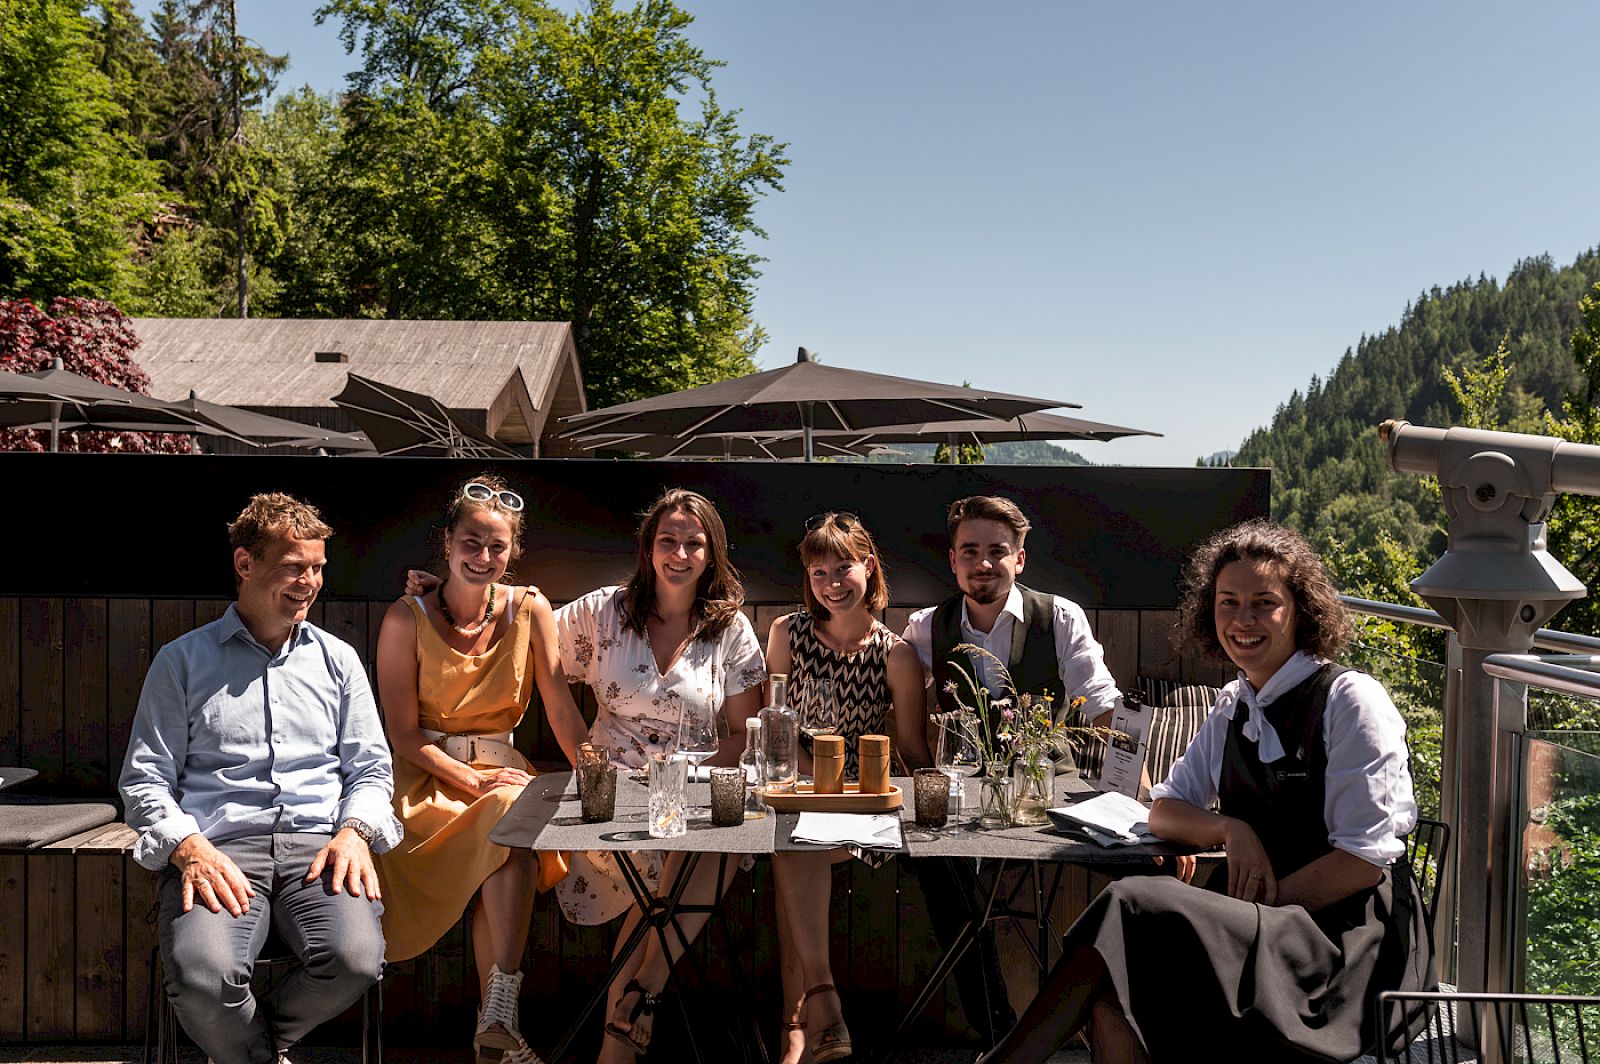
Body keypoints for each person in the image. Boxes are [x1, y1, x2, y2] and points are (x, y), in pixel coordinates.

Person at [979, 519, 1433, 1064]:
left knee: (1131, 902)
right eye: (1228, 603)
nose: (1243, 620)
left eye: (1264, 603)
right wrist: (1229, 829)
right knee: (1110, 995)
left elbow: (1361, 863)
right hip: (1266, 928)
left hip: (1344, 955)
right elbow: (1164, 811)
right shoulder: (1234, 704)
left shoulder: (1350, 700)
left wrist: (1247, 908)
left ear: (1301, 611)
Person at [119, 493, 398, 1064]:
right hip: (219, 850)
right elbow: (145, 779)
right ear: (245, 564)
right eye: (294, 567)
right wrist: (189, 847)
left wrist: (356, 832)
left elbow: (371, 768)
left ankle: (245, 1049)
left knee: (355, 961)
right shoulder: (181, 661)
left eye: (318, 568)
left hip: (319, 850)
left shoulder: (339, 661)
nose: (310, 583)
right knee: (202, 976)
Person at [378, 475, 590, 1064]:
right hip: (427, 780)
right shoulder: (405, 618)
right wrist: (472, 780)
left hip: (504, 774)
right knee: (508, 816)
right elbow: (403, 734)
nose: (483, 556)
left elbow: (561, 709)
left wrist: (599, 780)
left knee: (508, 828)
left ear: (512, 552)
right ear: (447, 542)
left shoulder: (531, 609)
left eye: (497, 546)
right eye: (471, 542)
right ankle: (501, 1016)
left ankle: (497, 1020)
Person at [553, 488, 767, 1063]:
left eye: (693, 543)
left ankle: (635, 1004)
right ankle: (639, 1001)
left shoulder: (730, 629)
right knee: (681, 865)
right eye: (667, 540)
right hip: (612, 796)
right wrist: (439, 594)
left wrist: (685, 779)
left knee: (714, 839)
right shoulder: (603, 612)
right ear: (648, 548)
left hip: (691, 791)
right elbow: (522, 632)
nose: (680, 554)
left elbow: (744, 734)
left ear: (711, 553)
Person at [901, 494, 1124, 1044]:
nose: (983, 563)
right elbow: (901, 712)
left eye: (997, 551)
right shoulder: (926, 628)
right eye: (969, 551)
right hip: (963, 805)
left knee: (1149, 871)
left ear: (1019, 559)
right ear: (953, 561)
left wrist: (1140, 798)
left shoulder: (1059, 616)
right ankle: (999, 1033)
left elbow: (1105, 709)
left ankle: (1124, 1021)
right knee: (936, 864)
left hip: (1049, 796)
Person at [766, 511, 931, 1064]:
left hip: (862, 800)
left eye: (843, 569)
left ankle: (803, 1019)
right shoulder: (787, 634)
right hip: (794, 788)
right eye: (819, 572)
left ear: (869, 567)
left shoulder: (896, 655)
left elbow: (912, 751)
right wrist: (804, 775)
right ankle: (813, 1017)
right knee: (793, 834)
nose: (832, 583)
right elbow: (774, 725)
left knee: (795, 843)